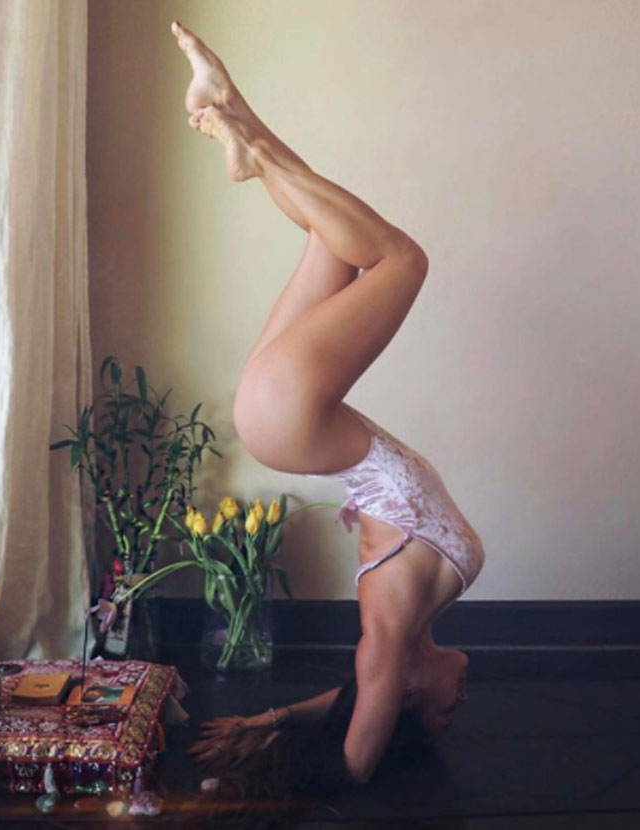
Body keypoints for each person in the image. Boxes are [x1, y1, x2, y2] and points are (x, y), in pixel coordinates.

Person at [170, 21, 485, 795]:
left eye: (442, 718)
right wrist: (270, 720)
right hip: (283, 414)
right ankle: (233, 116)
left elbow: (355, 753)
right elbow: (351, 696)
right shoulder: (406, 632)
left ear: (405, 694)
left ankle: (246, 136)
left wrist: (338, 771)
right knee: (336, 243)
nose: (458, 709)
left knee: (401, 259)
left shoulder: (390, 631)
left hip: (292, 416)